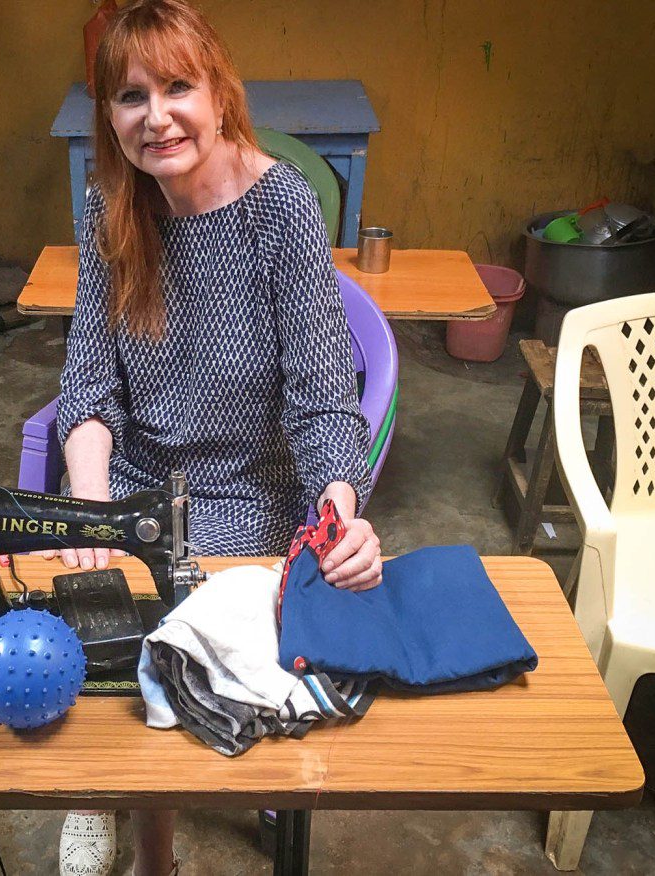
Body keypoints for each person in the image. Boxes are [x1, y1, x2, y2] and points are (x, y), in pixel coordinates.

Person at [41, 2, 384, 873]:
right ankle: (109, 801)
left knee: (191, 632)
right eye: (129, 97)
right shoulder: (108, 211)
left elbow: (321, 402)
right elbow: (88, 388)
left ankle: (205, 774)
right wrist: (91, 512)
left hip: (249, 496)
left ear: (219, 92)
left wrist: (339, 517)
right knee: (87, 626)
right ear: (107, 118)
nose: (155, 117)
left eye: (177, 87)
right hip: (137, 487)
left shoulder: (283, 211)